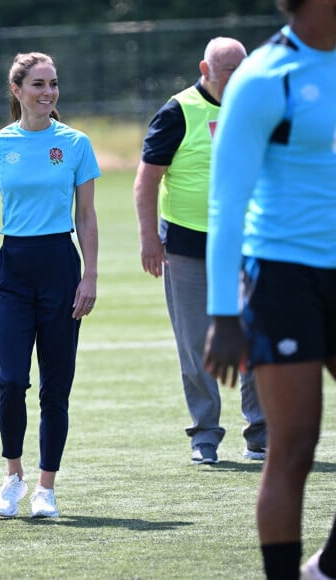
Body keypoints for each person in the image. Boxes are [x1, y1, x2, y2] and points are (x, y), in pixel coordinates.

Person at [202, 0, 336, 577]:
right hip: (283, 278)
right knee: (295, 445)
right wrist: (223, 313)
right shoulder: (263, 78)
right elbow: (226, 203)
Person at [0, 52, 100, 519]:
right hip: (13, 270)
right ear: (17, 90)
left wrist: (89, 274)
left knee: (55, 387)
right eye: (38, 84)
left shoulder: (77, 144)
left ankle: (46, 487)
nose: (48, 93)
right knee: (10, 381)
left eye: (54, 84)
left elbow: (85, 215)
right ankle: (12, 478)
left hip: (61, 267)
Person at [133, 37, 267, 465]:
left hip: (248, 244)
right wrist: (150, 239)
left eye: (243, 67)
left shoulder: (255, 107)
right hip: (188, 246)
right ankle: (205, 434)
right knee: (195, 343)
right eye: (230, 69)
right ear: (205, 69)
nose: (238, 76)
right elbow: (147, 180)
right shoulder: (178, 111)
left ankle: (260, 433)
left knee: (254, 332)